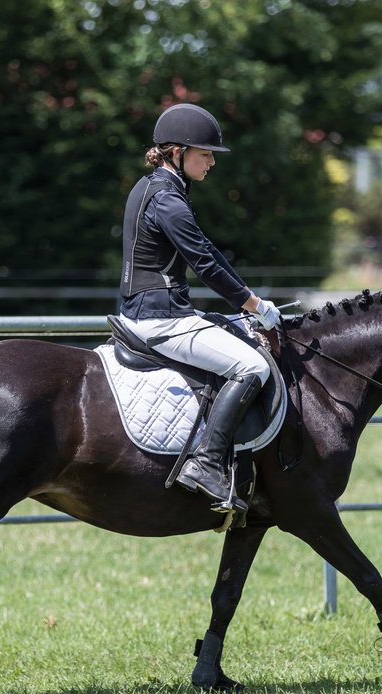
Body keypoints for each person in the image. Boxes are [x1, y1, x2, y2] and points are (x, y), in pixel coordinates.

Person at [117, 102, 281, 514]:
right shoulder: (168, 200)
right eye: (204, 153)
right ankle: (206, 464)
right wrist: (255, 305)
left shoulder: (158, 188)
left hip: (159, 310)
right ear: (177, 152)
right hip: (160, 319)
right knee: (253, 367)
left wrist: (249, 299)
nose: (211, 162)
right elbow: (204, 264)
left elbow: (206, 250)